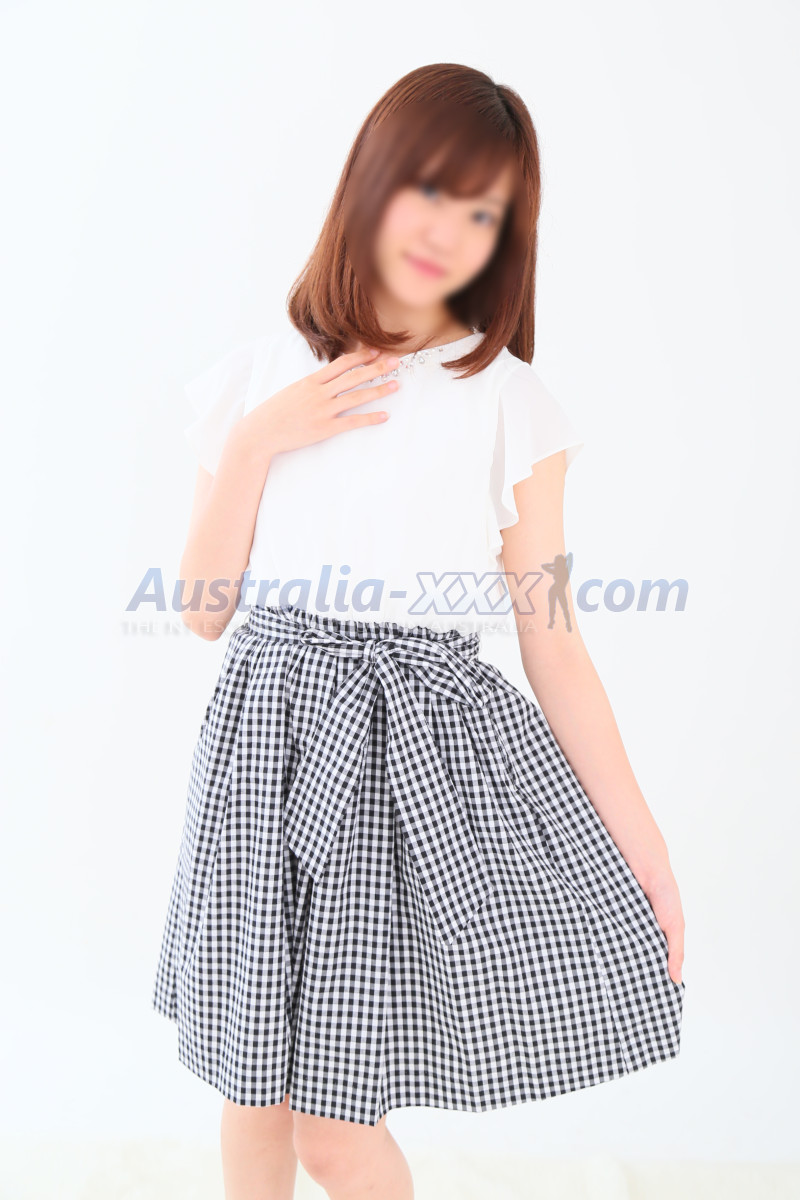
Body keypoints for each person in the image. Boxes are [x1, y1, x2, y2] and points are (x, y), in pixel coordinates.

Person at [152, 63, 686, 1200]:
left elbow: (552, 642)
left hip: (408, 772)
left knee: (333, 1128)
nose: (449, 230)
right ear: (373, 178)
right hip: (262, 755)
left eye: (483, 211)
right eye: (431, 190)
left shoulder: (509, 404)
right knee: (250, 1101)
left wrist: (639, 839)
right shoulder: (257, 381)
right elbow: (202, 611)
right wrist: (257, 441)